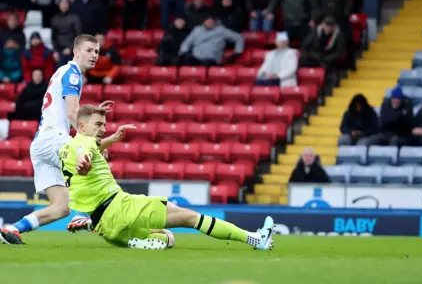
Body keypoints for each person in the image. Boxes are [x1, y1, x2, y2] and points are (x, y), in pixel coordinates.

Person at [40, 104, 275, 251]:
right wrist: (85, 161)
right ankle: (255, 239)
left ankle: (123, 236)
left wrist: (109, 140)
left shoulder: (65, 148)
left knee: (167, 237)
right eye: (99, 124)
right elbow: (87, 150)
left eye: (104, 124)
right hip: (119, 208)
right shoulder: (85, 144)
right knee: (191, 218)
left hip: (106, 225)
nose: (103, 128)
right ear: (82, 125)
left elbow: (87, 149)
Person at [0, 35, 110, 245]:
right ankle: (96, 218)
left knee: (61, 207)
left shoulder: (63, 71)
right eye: (89, 50)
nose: (94, 55)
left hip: (41, 144)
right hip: (53, 139)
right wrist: (91, 141)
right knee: (93, 162)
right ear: (76, 52)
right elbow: (72, 113)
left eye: (96, 51)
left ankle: (11, 229)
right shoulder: (74, 74)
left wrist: (93, 113)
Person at [178, 14, 244, 67]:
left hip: (211, 59)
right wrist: (183, 52)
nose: (209, 22)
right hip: (196, 58)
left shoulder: (221, 30)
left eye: (211, 20)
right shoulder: (197, 29)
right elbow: (186, 43)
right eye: (207, 20)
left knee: (205, 65)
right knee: (187, 62)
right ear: (204, 21)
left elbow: (239, 37)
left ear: (214, 21)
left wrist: (237, 53)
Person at [51, 0, 83, 66]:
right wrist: (55, 51)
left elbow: (79, 35)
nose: (64, 5)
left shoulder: (75, 18)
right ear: (59, 5)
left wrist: (70, 48)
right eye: (62, 3)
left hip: (72, 51)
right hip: (59, 50)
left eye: (66, 3)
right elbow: (54, 37)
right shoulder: (55, 18)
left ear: (69, 5)